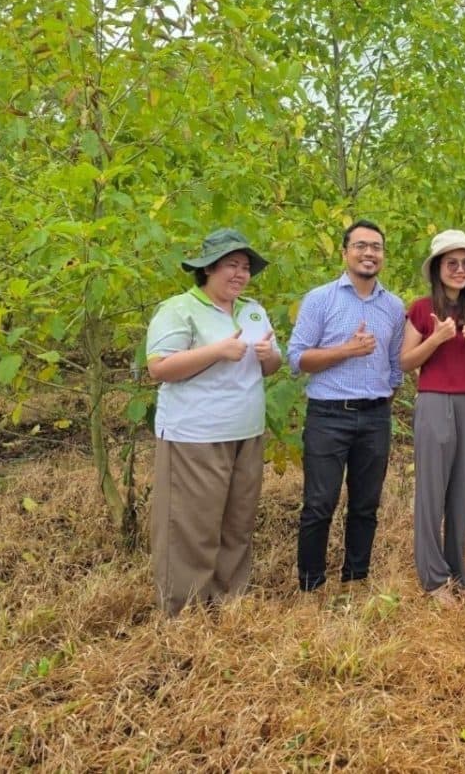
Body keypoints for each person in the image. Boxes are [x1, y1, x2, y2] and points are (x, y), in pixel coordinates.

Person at [145, 228, 282, 617]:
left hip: (246, 432)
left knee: (237, 522)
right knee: (191, 526)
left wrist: (267, 353)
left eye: (245, 267)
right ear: (207, 269)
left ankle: (228, 600)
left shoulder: (251, 309)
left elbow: (272, 366)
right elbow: (160, 368)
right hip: (195, 435)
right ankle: (183, 611)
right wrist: (217, 350)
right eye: (230, 265)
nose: (239, 274)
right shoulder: (179, 309)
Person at [287, 220, 406, 593]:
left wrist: (386, 393)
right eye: (361, 246)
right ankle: (312, 584)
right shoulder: (320, 299)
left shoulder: (393, 305)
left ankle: (355, 579)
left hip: (375, 416)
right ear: (344, 252)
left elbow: (395, 363)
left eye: (376, 247)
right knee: (319, 504)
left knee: (365, 504)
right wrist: (346, 351)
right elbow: (296, 359)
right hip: (328, 415)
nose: (369, 253)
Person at [400, 230, 465, 608]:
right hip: (434, 401)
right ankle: (433, 577)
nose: (459, 269)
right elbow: (406, 361)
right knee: (432, 489)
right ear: (437, 268)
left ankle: (458, 570)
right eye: (451, 263)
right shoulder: (422, 308)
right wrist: (437, 339)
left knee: (463, 489)